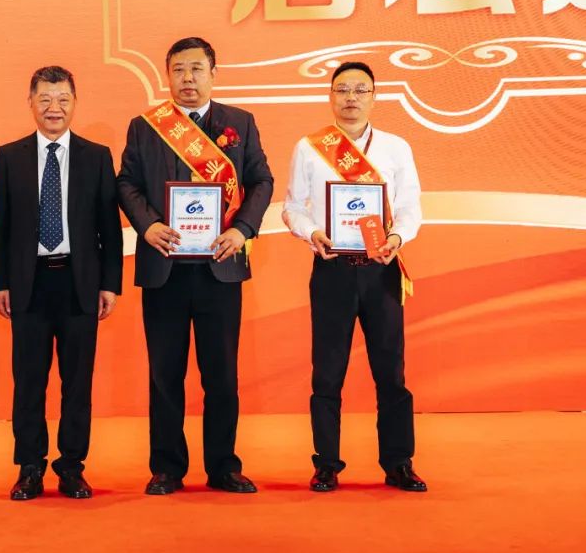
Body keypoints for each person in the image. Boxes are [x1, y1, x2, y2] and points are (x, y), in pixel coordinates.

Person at [117, 36, 273, 495]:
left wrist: (242, 230)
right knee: (165, 373)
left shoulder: (239, 123)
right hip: (164, 266)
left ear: (213, 74)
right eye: (179, 70)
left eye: (196, 69)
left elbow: (261, 181)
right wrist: (147, 225)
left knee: (221, 373)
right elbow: (126, 183)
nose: (188, 78)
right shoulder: (145, 127)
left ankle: (223, 466)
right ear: (168, 76)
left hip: (219, 267)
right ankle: (167, 467)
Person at [282, 61, 427, 493]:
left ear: (374, 96)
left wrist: (397, 236)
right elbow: (292, 206)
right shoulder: (310, 148)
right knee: (327, 373)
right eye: (342, 89)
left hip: (382, 269)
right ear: (330, 95)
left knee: (391, 371)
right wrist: (312, 232)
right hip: (333, 269)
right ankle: (326, 463)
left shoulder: (396, 148)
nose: (351, 98)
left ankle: (399, 463)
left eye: (360, 90)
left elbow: (411, 206)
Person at [0, 65, 124, 501]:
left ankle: (71, 467)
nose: (54, 108)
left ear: (75, 103)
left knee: (77, 383)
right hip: (28, 285)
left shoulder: (96, 156)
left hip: (79, 283)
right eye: (45, 99)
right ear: (30, 103)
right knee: (28, 382)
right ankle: (30, 467)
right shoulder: (9, 157)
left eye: (63, 99)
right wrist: (0, 282)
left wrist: (110, 284)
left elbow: (109, 227)